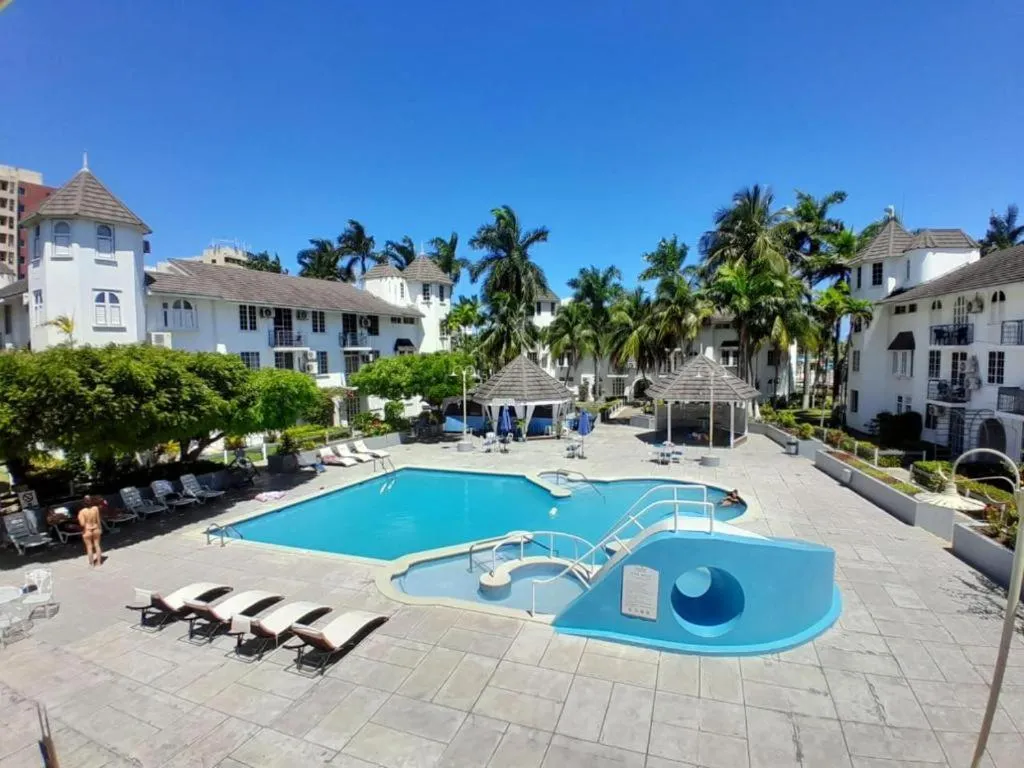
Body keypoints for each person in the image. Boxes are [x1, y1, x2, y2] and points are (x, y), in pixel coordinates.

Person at [76, 495, 103, 566]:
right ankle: (99, 562)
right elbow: (98, 520)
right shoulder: (96, 508)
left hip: (87, 530)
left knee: (89, 547)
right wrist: (100, 529)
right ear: (91, 501)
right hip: (96, 528)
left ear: (83, 503)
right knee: (97, 545)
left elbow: (82, 524)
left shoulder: (82, 512)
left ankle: (92, 563)